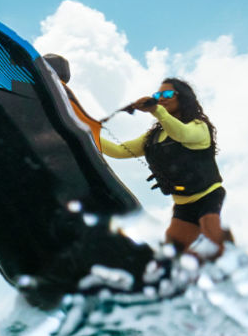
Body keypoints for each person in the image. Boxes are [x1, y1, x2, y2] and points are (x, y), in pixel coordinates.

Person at [97, 78, 232, 258]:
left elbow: (181, 133)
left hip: (208, 195)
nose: (162, 98)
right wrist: (87, 131)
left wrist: (156, 109)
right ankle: (197, 267)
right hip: (183, 204)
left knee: (209, 228)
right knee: (172, 251)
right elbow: (118, 150)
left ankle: (231, 261)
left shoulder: (199, 127)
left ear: (183, 98)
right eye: (158, 95)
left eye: (167, 94)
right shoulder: (154, 136)